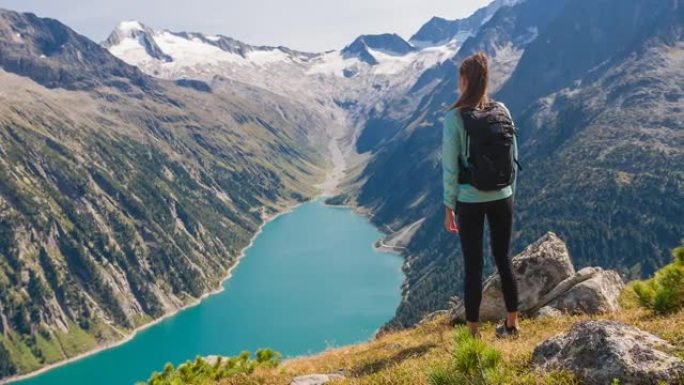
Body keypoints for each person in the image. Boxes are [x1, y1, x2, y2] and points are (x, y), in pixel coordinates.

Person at [442, 52, 520, 338]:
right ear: (485, 80)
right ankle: (512, 324)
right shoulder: (502, 110)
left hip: (470, 199)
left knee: (473, 265)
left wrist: (449, 206)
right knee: (504, 258)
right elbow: (513, 158)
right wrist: (509, 193)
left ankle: (473, 333)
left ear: (464, 81)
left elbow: (450, 168)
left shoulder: (455, 117)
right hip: (503, 195)